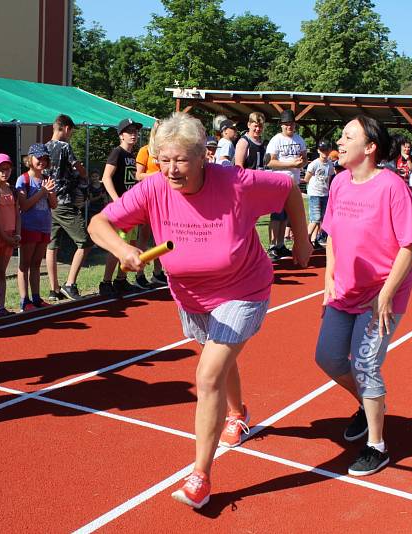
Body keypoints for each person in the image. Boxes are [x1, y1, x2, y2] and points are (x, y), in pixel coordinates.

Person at [88, 112, 311, 509]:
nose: (171, 170)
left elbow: (289, 188)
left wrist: (300, 241)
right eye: (164, 160)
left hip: (244, 288)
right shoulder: (154, 187)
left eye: (181, 160)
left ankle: (200, 476)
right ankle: (239, 413)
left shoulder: (237, 183)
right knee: (218, 359)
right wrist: (123, 249)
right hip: (191, 295)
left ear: (202, 157)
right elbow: (99, 223)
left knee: (207, 375)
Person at [315, 115, 412, 477]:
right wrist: (328, 277)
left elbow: (409, 246)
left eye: (348, 136)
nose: (339, 141)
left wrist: (386, 295)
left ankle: (377, 446)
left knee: (365, 364)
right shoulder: (340, 182)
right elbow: (331, 235)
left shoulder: (393, 187)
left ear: (370, 147)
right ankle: (367, 402)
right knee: (327, 358)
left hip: (381, 291)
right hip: (343, 289)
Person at [44, 114, 92, 301]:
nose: (70, 135)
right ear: (65, 128)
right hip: (64, 202)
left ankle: (53, 288)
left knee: (52, 245)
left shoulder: (44, 148)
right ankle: (70, 284)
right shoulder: (64, 146)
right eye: (70, 131)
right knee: (86, 242)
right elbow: (79, 169)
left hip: (49, 202)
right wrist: (82, 176)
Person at [99, 118, 140, 297]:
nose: (133, 134)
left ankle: (121, 279)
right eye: (129, 131)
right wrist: (116, 200)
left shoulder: (133, 156)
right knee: (118, 247)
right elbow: (106, 177)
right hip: (120, 209)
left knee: (130, 245)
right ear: (121, 135)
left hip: (133, 209)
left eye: (135, 131)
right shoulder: (117, 153)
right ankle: (106, 282)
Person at [16, 144, 56, 311]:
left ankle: (36, 297)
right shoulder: (23, 179)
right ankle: (24, 301)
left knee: (36, 264)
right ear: (29, 159)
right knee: (25, 264)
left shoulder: (47, 179)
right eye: (38, 158)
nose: (42, 161)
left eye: (45, 158)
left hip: (44, 226)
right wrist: (42, 192)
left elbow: (53, 205)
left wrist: (51, 192)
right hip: (28, 226)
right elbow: (24, 206)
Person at [266, 109, 307, 261]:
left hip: (294, 183)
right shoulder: (276, 140)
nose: (289, 126)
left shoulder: (299, 139)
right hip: (279, 183)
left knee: (285, 216)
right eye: (286, 124)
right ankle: (272, 246)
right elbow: (270, 162)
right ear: (281, 125)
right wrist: (291, 164)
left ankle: (281, 244)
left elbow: (304, 159)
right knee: (276, 215)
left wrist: (300, 163)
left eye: (291, 124)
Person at [134, 119, 166, 287]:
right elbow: (138, 175)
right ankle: (139, 274)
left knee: (162, 238)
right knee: (144, 238)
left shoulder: (166, 152)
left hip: (163, 199)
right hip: (148, 198)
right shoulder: (145, 151)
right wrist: (158, 176)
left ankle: (158, 272)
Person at [0, 153, 20, 317]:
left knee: (1, 272)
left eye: (7, 169)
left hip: (10, 237)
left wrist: (17, 235)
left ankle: (1, 307)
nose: (5, 172)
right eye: (1, 169)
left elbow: (17, 214)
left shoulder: (13, 190)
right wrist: (4, 236)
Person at [303, 140, 335, 249]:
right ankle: (305, 239)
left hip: (324, 193)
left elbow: (329, 179)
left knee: (321, 218)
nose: (325, 153)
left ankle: (314, 239)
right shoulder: (315, 164)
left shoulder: (330, 164)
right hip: (315, 193)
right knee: (315, 218)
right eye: (322, 150)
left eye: (326, 150)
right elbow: (307, 178)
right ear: (319, 151)